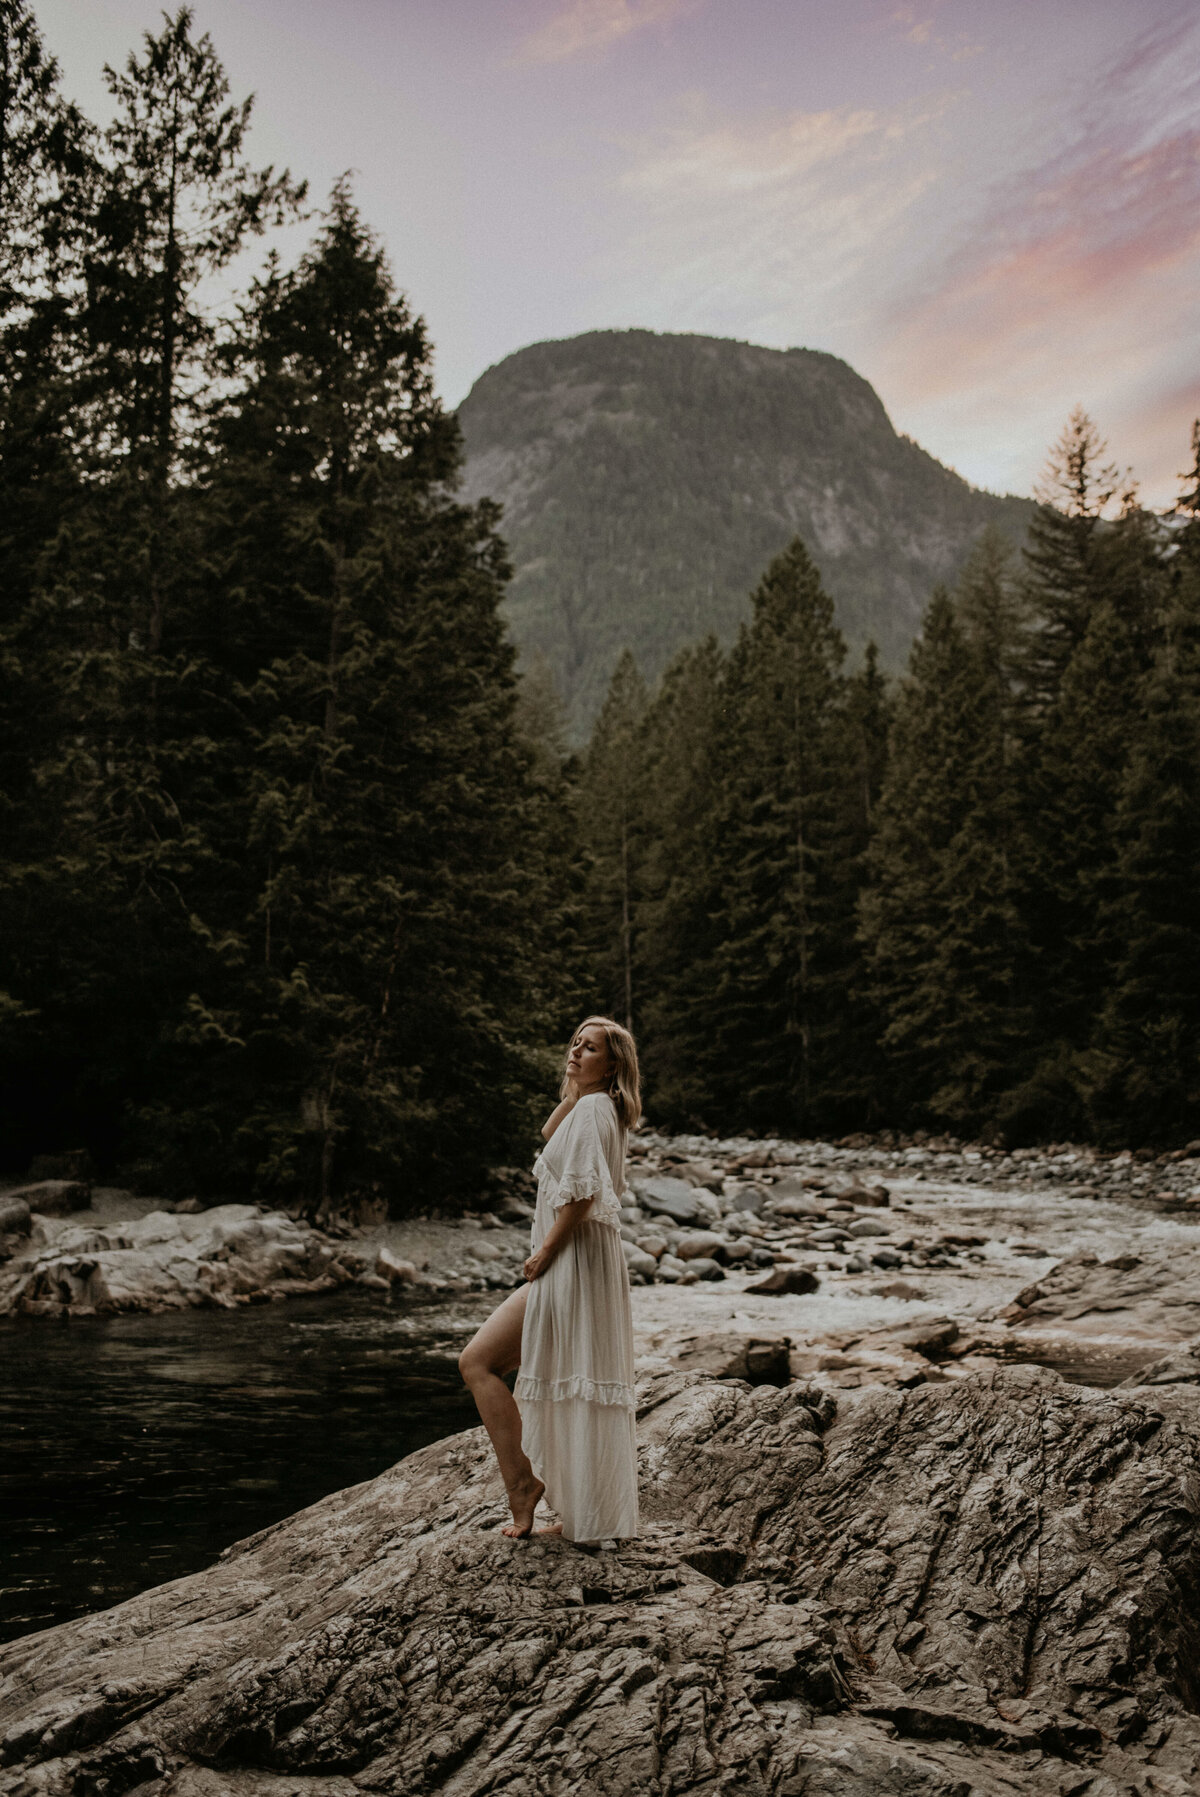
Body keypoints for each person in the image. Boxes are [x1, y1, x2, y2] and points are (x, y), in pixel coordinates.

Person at [458, 1015, 641, 1542]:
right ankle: (570, 1502)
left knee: (477, 1361)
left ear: (614, 1066)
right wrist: (578, 1082)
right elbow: (549, 1135)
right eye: (574, 1045)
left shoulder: (593, 1108)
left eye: (590, 1049)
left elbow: (582, 1197)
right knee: (561, 1377)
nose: (576, 1052)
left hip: (573, 1260)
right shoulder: (598, 1107)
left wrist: (543, 1253)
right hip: (588, 1262)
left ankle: (523, 1485)